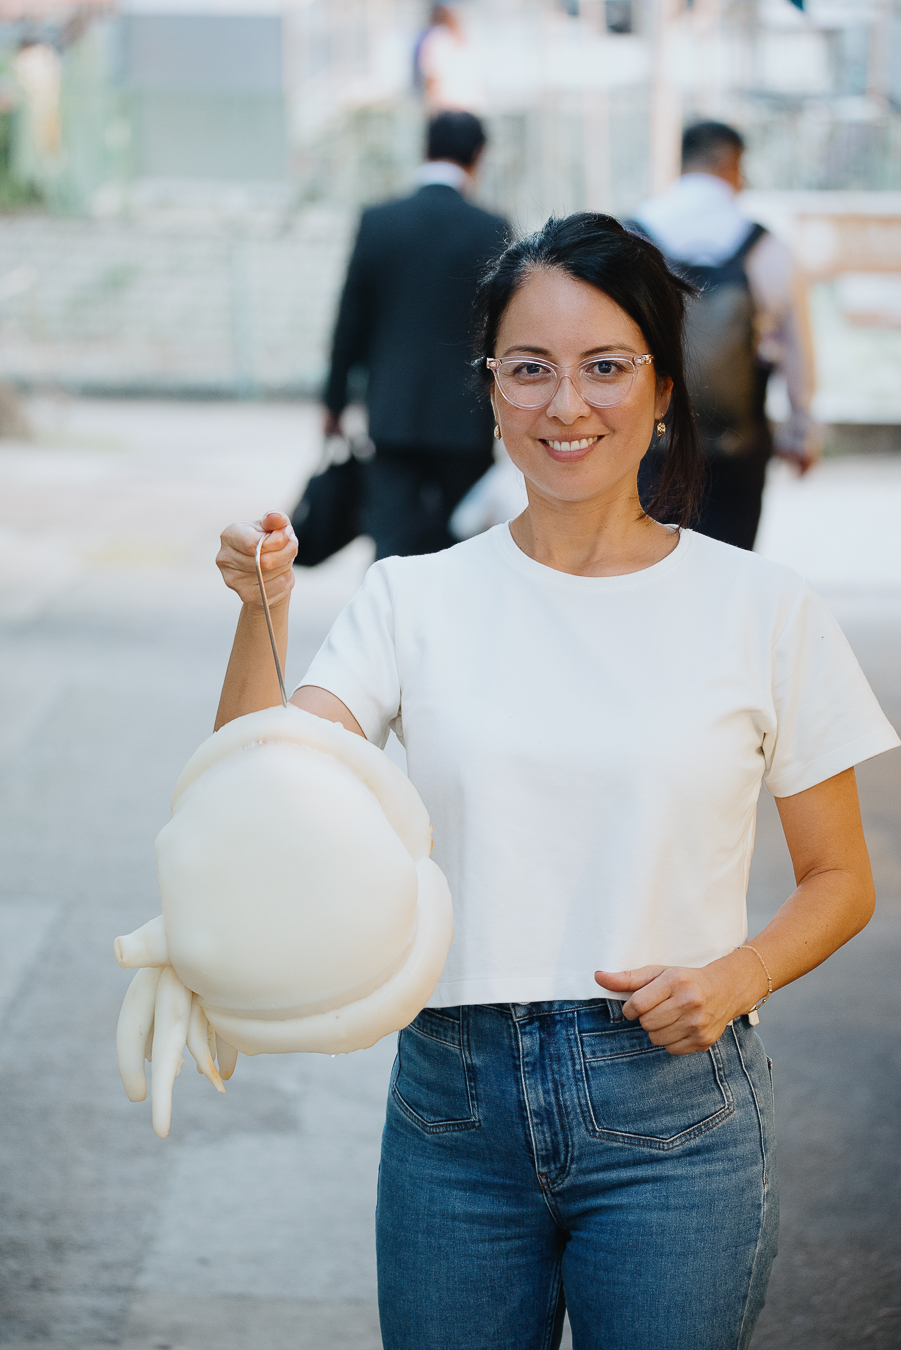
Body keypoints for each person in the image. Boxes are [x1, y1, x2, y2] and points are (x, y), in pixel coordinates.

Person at [215, 214, 899, 1349]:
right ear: (489, 389)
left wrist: (738, 975)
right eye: (527, 369)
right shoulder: (412, 599)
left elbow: (840, 877)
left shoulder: (760, 608)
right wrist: (262, 610)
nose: (564, 405)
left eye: (604, 367)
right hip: (450, 1111)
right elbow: (256, 795)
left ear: (663, 387)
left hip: (676, 1112)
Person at [323, 109, 507, 559]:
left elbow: (350, 320)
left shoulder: (379, 221)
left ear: (424, 148)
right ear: (478, 156)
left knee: (390, 541)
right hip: (466, 418)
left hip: (392, 413)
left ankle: (387, 627)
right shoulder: (491, 229)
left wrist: (333, 402)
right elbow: (502, 330)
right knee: (464, 542)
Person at [630, 120, 817, 550]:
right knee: (730, 570)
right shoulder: (767, 245)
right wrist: (801, 431)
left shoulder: (633, 234)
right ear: (730, 164)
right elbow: (797, 348)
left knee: (644, 567)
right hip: (738, 444)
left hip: (648, 442)